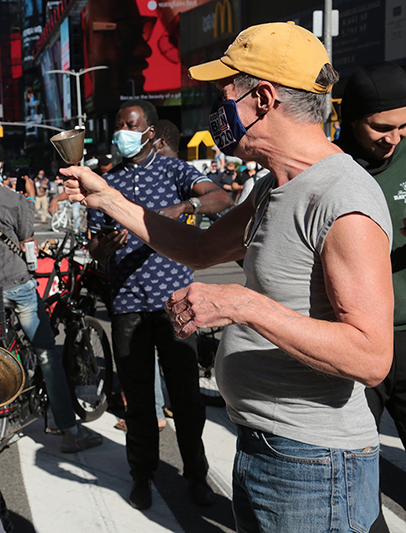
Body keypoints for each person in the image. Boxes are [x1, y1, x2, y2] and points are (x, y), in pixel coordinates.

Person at [62, 22, 393, 532]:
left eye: (224, 94)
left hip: (314, 466)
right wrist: (107, 198)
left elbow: (370, 356)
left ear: (262, 98)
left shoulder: (340, 196)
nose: (218, 109)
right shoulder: (269, 188)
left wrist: (243, 304)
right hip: (266, 449)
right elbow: (196, 247)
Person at [87, 99, 233, 510]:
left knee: (185, 397)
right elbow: (95, 249)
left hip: (175, 304)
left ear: (149, 132)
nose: (122, 132)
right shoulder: (106, 183)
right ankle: (142, 474)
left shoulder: (174, 171)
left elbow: (220, 197)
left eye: (129, 125)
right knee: (136, 398)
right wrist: (106, 246)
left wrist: (184, 207)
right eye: (118, 125)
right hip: (127, 305)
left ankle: (197, 476)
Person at [0, 137, 103, 453]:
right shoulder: (14, 200)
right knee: (47, 355)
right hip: (17, 284)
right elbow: (28, 245)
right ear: (0, 167)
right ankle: (67, 428)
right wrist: (30, 263)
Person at [334, 61, 406, 533]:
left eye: (404, 126)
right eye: (381, 126)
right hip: (349, 344)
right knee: (352, 477)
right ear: (350, 119)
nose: (394, 138)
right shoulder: (326, 165)